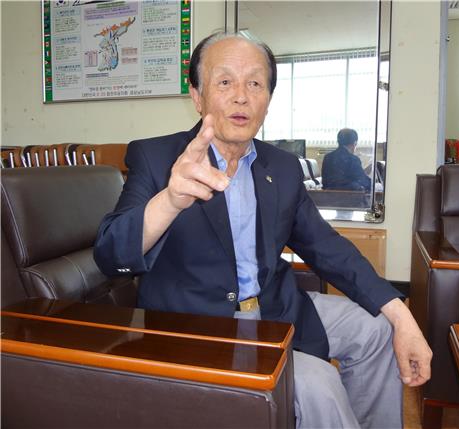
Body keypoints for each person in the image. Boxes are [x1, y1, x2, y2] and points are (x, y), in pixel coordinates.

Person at [94, 32, 432, 429]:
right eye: (225, 82)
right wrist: (170, 200)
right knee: (318, 383)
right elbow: (111, 256)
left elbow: (327, 247)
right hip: (197, 329)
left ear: (268, 100)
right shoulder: (156, 157)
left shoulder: (281, 167)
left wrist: (402, 315)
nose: (241, 96)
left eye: (255, 83)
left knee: (379, 328)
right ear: (197, 96)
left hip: (275, 307)